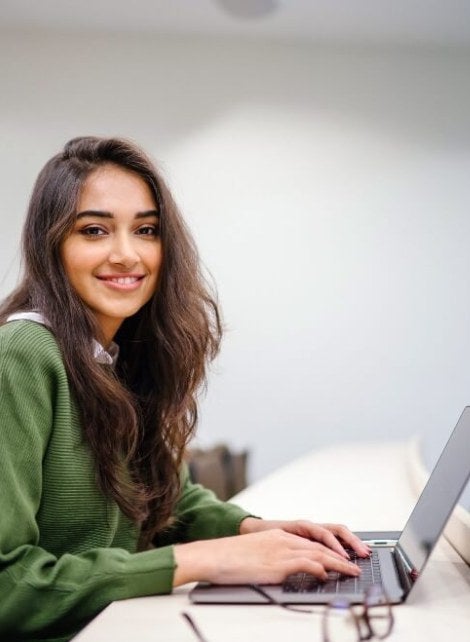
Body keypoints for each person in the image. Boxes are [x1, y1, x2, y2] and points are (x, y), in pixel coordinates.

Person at [0, 136, 369, 641]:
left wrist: (252, 532)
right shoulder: (22, 355)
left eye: (146, 230)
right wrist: (204, 560)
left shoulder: (115, 352)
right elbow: (8, 585)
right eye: (94, 230)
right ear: (52, 244)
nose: (127, 255)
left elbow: (163, 498)